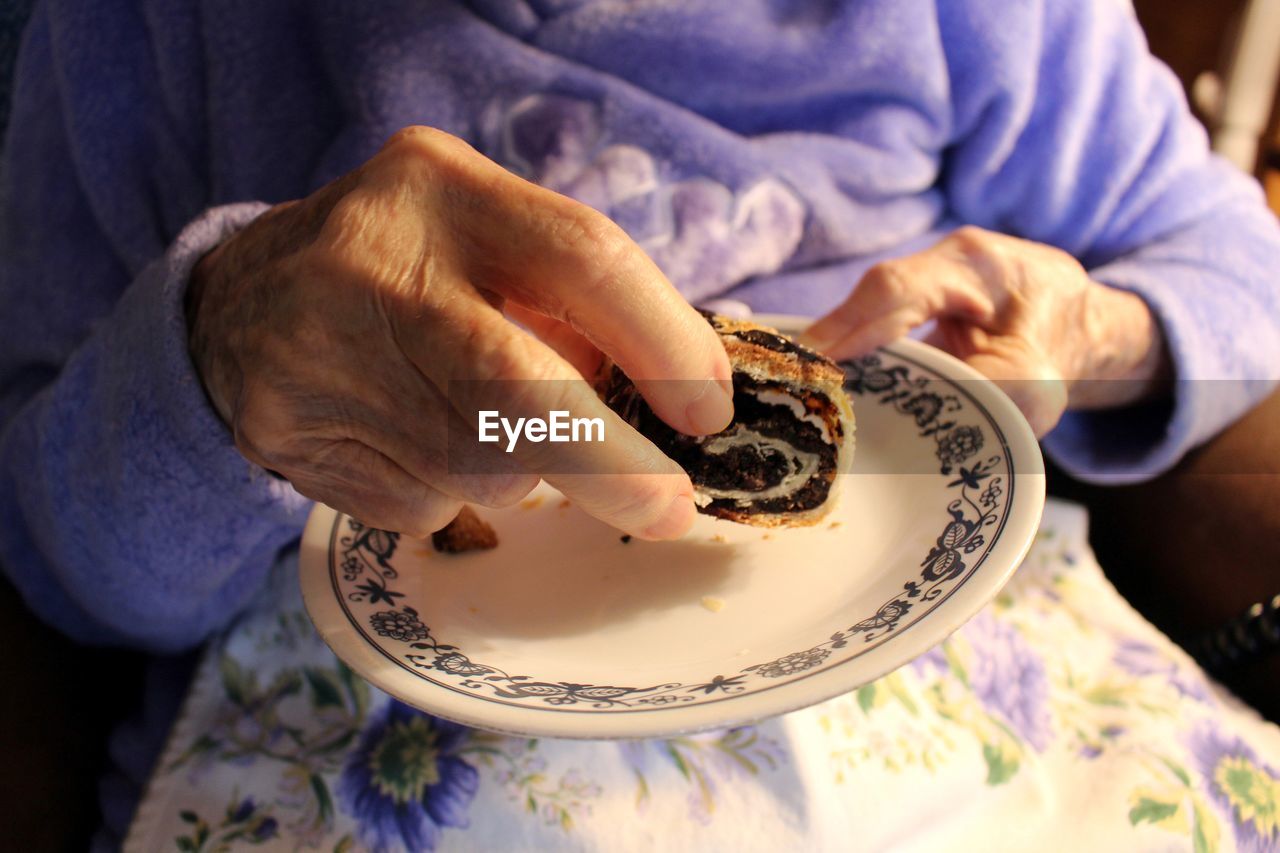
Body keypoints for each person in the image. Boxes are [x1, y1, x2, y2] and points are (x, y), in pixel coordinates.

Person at [1, 0, 1277, 849]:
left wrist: (1097, 332)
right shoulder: (150, 29)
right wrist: (220, 350)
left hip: (970, 697)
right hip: (362, 741)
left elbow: (1232, 261)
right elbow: (52, 556)